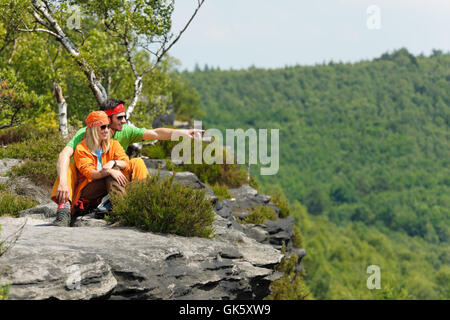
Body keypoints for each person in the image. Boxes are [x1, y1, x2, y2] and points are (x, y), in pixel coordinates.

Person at [51, 98, 203, 223]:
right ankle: (65, 208)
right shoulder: (86, 134)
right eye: (119, 117)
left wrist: (182, 132)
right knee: (68, 167)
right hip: (90, 181)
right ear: (106, 118)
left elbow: (155, 133)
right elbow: (64, 155)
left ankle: (142, 200)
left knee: (137, 162)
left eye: (125, 117)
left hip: (114, 179)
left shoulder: (123, 134)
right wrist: (63, 183)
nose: (124, 121)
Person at [53, 111, 130, 227]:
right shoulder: (81, 148)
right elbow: (90, 173)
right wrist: (108, 171)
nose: (106, 130)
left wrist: (113, 162)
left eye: (108, 126)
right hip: (88, 190)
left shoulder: (114, 144)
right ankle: (122, 213)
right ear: (93, 129)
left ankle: (123, 208)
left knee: (119, 169)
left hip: (107, 190)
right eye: (103, 127)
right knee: (112, 173)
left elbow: (126, 162)